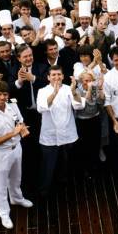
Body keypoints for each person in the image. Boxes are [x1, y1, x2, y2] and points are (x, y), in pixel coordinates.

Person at [0, 80, 33, 230]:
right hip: (1, 154)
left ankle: (16, 198)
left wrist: (22, 129)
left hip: (17, 148)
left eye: (4, 94)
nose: (2, 98)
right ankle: (4, 213)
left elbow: (20, 122)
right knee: (1, 185)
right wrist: (12, 134)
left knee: (17, 177)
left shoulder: (12, 105)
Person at [36, 65, 83, 196]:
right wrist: (55, 93)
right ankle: (44, 191)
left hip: (68, 133)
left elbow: (78, 105)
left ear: (63, 76)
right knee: (48, 166)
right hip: (50, 136)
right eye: (53, 75)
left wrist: (74, 91)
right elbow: (41, 107)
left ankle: (64, 188)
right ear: (48, 77)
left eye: (59, 75)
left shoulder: (69, 89)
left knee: (65, 163)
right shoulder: (42, 91)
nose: (56, 77)